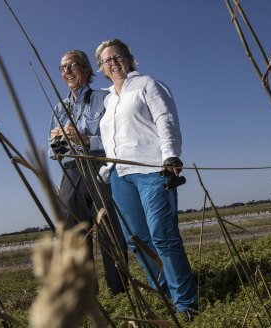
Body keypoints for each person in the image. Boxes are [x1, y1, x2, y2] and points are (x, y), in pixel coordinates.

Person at [95, 39, 198, 318]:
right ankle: (163, 292)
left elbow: (165, 118)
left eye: (118, 57)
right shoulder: (107, 99)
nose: (113, 62)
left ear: (128, 59)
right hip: (120, 175)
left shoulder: (147, 84)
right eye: (107, 60)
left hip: (152, 169)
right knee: (136, 240)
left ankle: (186, 303)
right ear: (102, 68)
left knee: (163, 236)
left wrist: (171, 156)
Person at [48, 49, 128, 295]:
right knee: (74, 236)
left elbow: (114, 140)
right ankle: (86, 295)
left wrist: (83, 139)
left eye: (72, 66)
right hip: (71, 172)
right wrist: (58, 142)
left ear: (85, 70)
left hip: (98, 167)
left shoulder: (104, 98)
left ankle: (120, 291)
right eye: (62, 68)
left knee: (109, 231)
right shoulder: (59, 107)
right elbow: (53, 151)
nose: (67, 72)